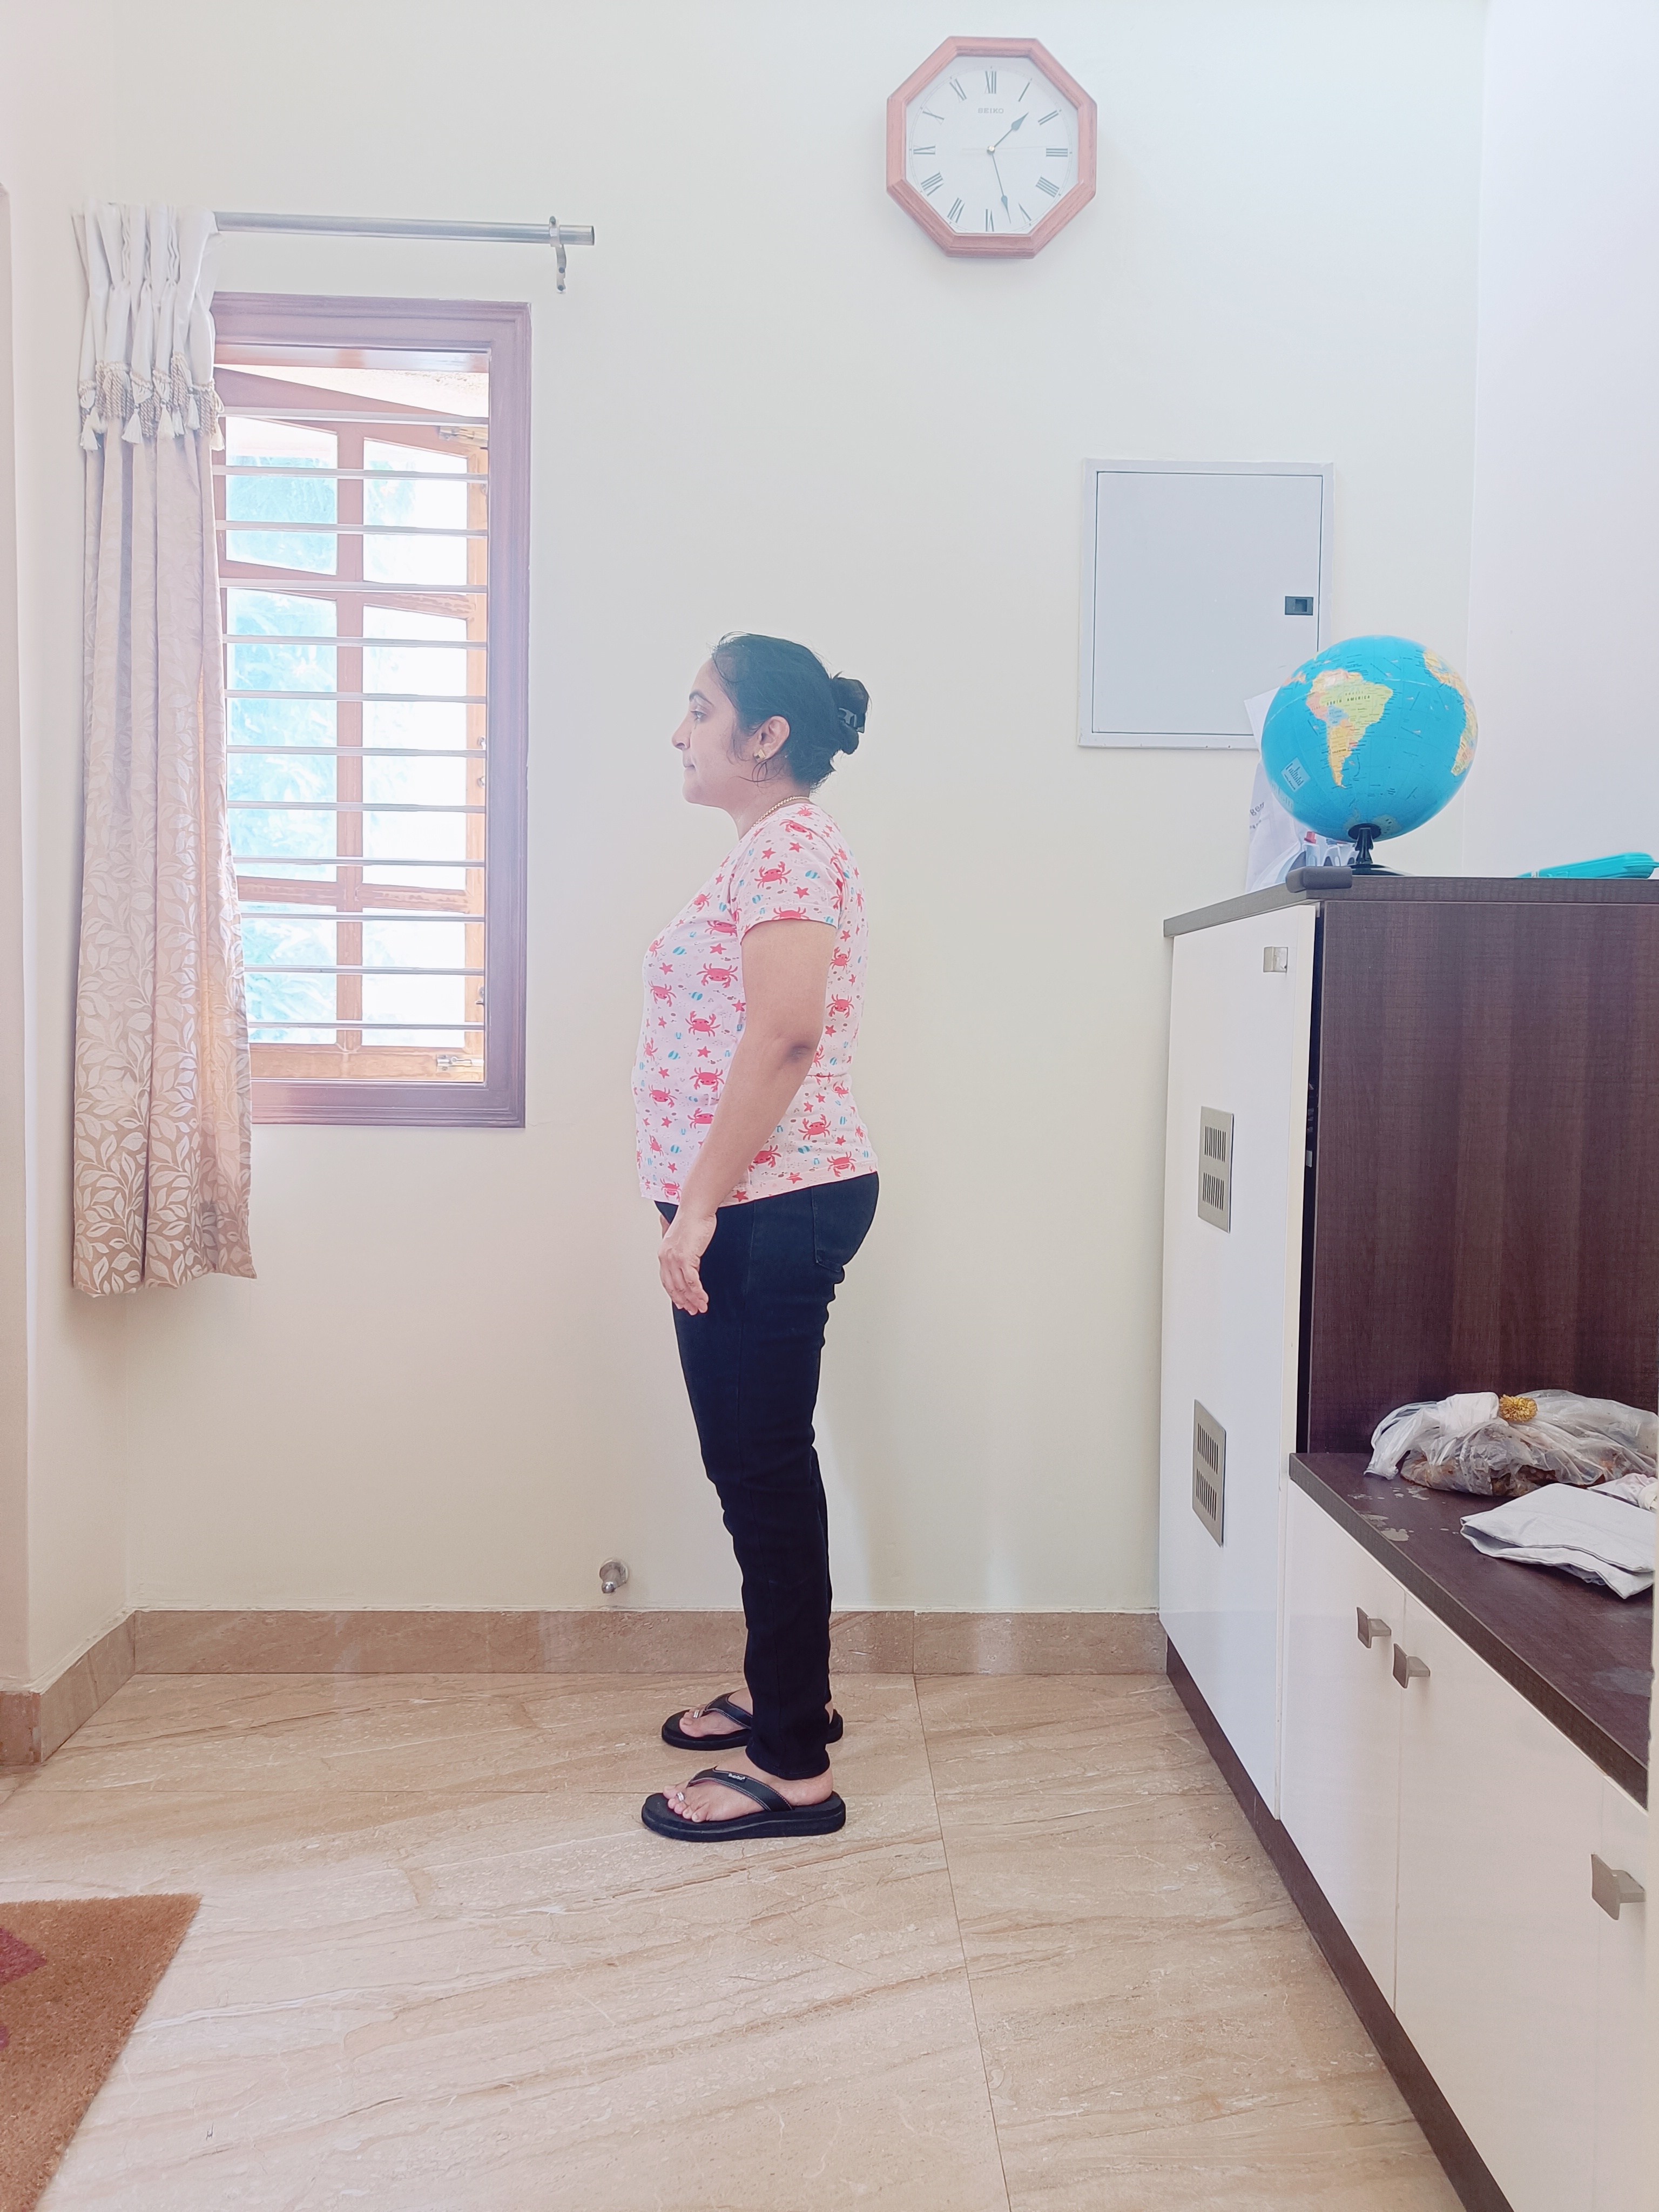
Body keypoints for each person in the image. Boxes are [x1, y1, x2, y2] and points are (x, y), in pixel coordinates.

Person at [634, 633, 878, 1842]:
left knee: (761, 1475)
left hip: (765, 1207)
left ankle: (792, 1767)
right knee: (758, 1471)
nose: (680, 732)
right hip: (759, 1202)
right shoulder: (771, 850)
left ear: (766, 737)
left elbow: (785, 1032)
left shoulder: (787, 847)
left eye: (700, 708)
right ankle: (793, 1696)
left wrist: (699, 1205)